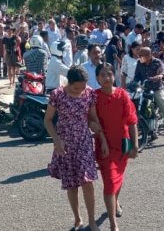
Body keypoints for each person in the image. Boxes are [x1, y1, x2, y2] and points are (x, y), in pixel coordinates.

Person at [44, 66, 108, 231]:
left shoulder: (90, 93)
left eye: (83, 87)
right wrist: (56, 140)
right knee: (71, 184)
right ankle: (78, 219)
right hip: (65, 145)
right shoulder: (57, 95)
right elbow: (48, 120)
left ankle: (92, 221)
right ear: (68, 83)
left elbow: (92, 119)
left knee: (88, 182)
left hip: (84, 143)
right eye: (75, 88)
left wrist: (98, 131)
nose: (80, 91)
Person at [93, 62, 138, 231]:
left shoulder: (123, 95)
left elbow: (132, 121)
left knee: (118, 178)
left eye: (109, 74)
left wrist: (135, 146)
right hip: (105, 147)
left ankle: (116, 201)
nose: (106, 78)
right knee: (110, 182)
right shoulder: (94, 97)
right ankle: (113, 223)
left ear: (115, 76)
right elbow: (92, 120)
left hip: (123, 144)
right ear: (97, 78)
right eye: (102, 75)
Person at [133, 47, 164, 146]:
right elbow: (137, 76)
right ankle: (147, 131)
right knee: (137, 106)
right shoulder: (139, 63)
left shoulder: (157, 62)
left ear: (149, 55)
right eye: (139, 56)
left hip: (157, 89)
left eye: (142, 56)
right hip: (144, 89)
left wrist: (160, 76)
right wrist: (133, 83)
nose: (140, 58)